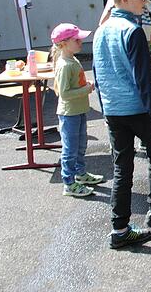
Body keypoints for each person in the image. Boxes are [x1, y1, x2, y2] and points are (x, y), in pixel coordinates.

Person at [93, 0, 151, 249]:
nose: (145, 3)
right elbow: (144, 80)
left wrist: (105, 108)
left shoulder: (101, 30)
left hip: (114, 111)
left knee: (121, 168)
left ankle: (120, 229)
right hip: (138, 110)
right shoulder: (133, 31)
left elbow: (98, 72)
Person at [50, 23, 102, 197]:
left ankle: (80, 174)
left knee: (80, 145)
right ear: (64, 43)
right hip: (69, 114)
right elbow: (64, 93)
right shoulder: (65, 64)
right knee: (70, 149)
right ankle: (69, 183)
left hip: (79, 111)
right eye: (76, 39)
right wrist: (86, 89)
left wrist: (85, 86)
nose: (81, 42)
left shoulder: (72, 59)